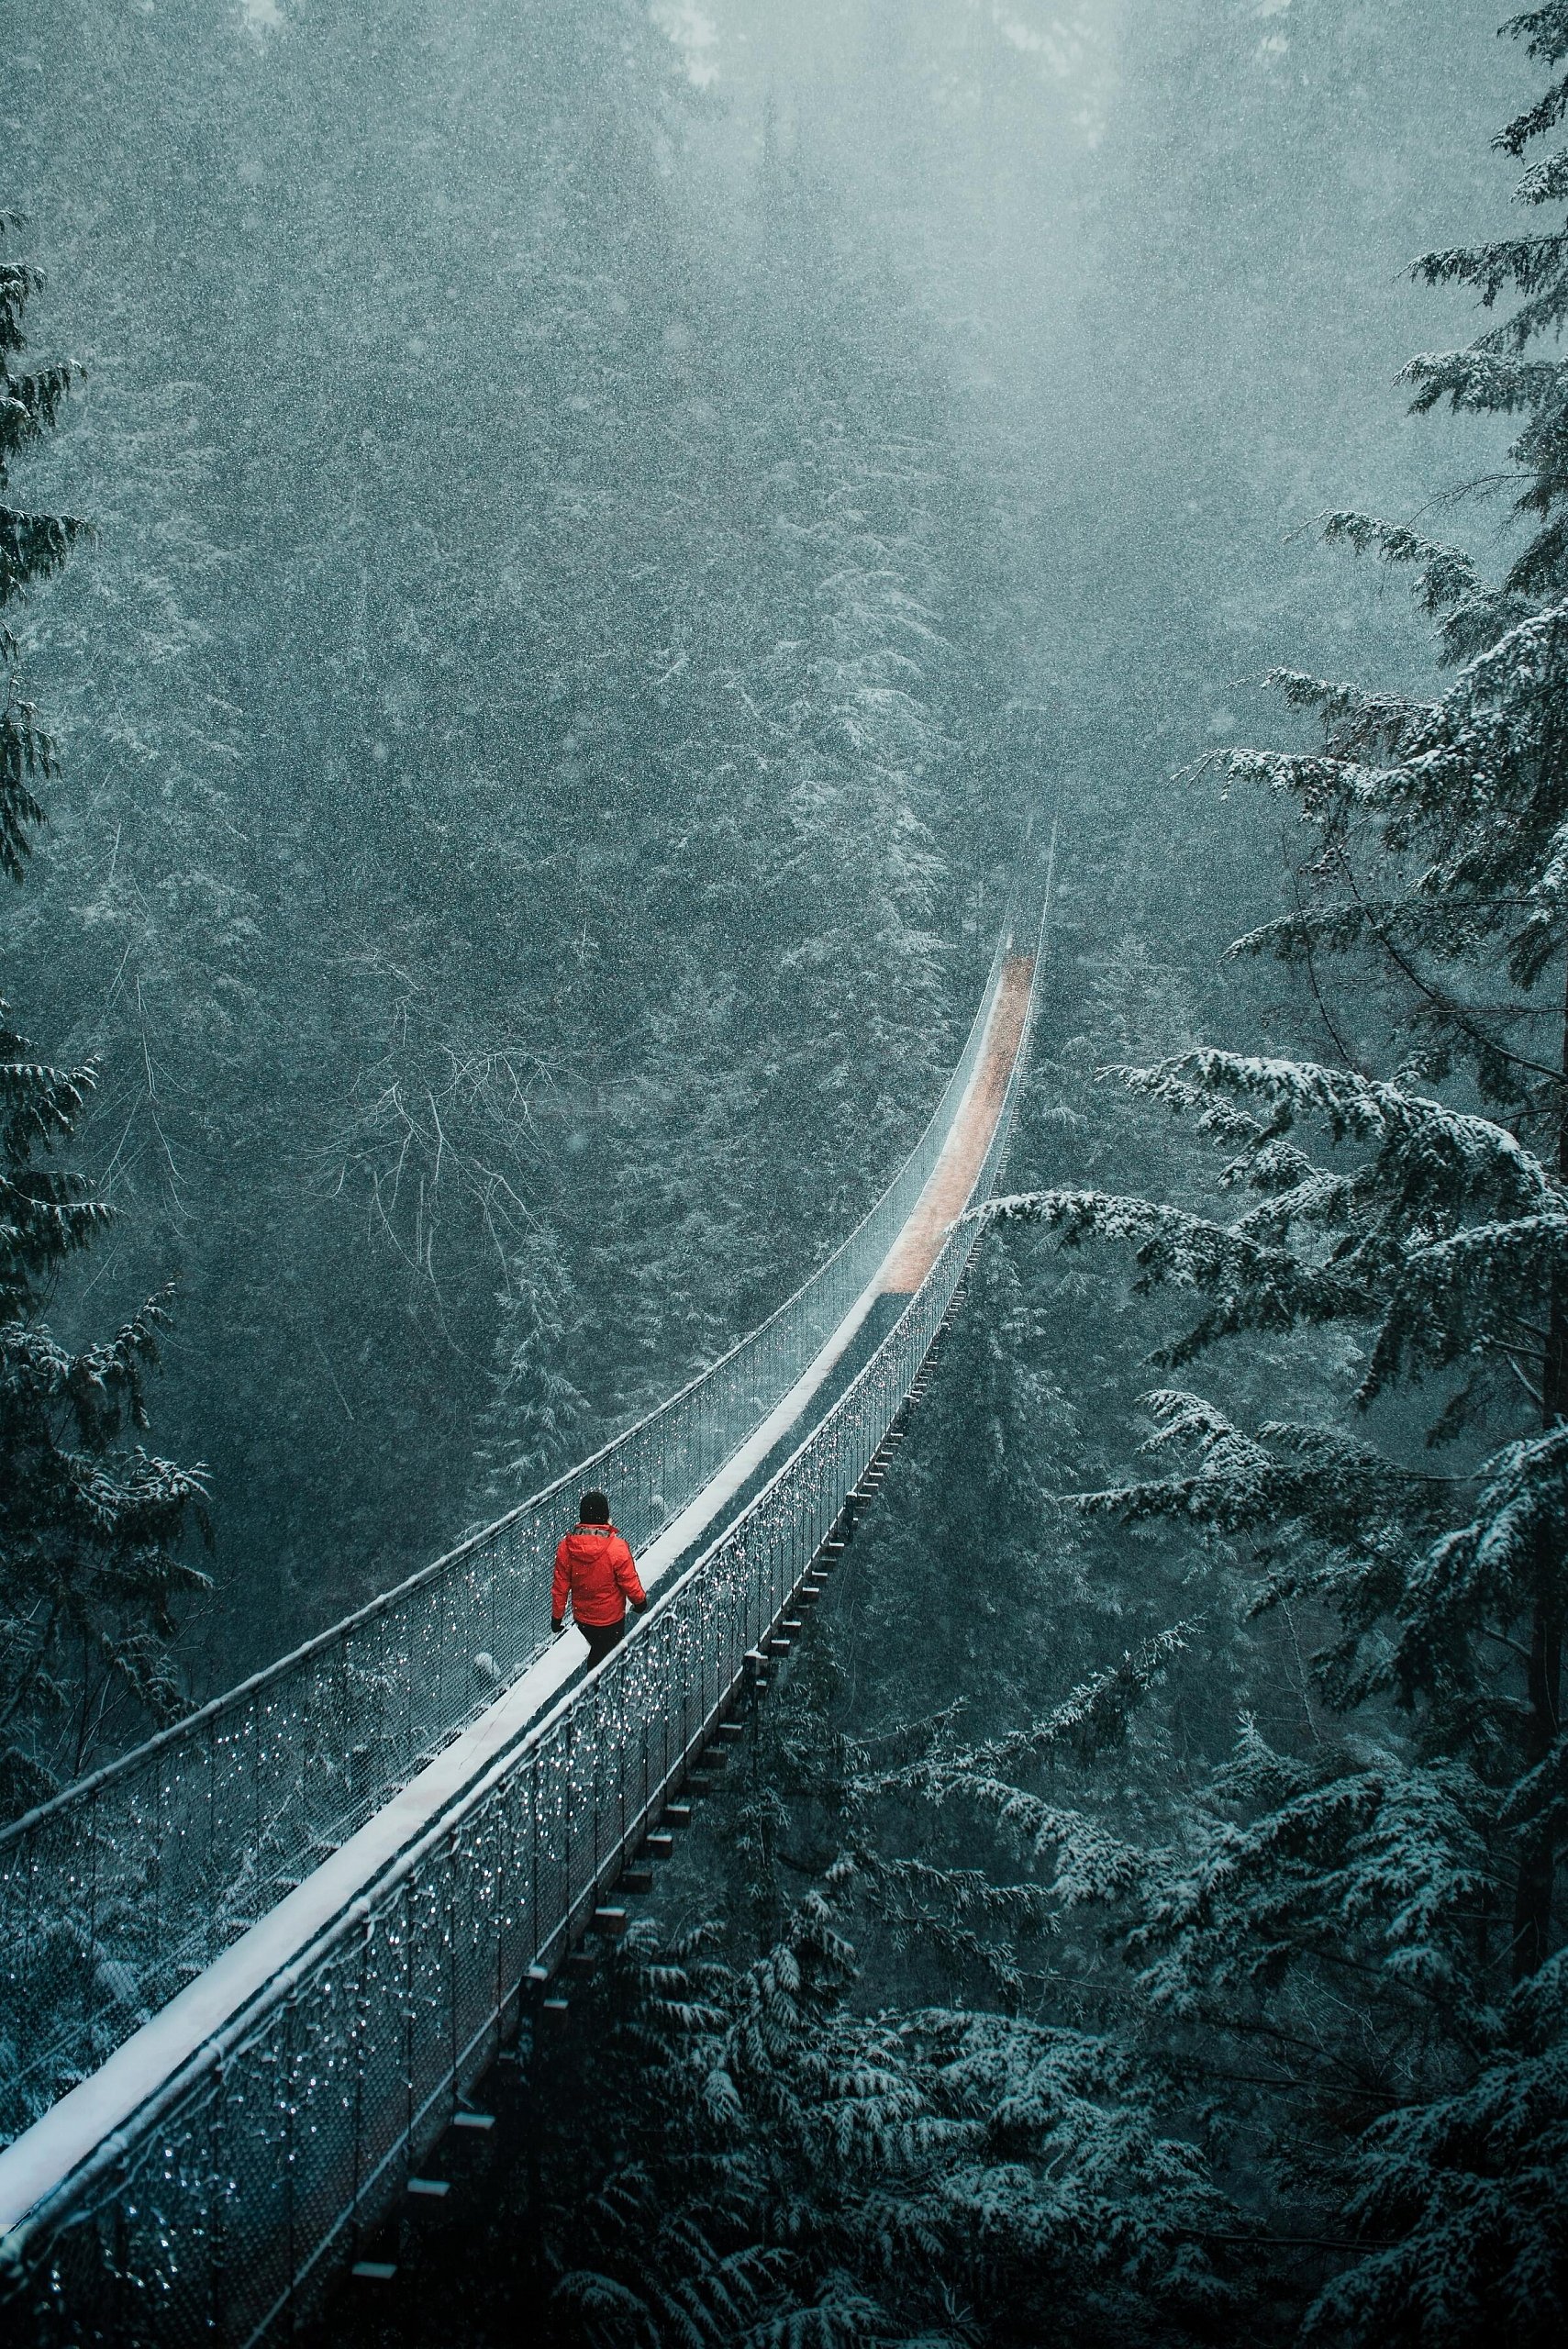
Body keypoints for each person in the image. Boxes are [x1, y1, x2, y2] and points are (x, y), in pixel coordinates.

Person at [551, 1489, 648, 1665]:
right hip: (611, 1619)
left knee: (600, 1648)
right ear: (605, 1516)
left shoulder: (566, 1548)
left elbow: (561, 1587)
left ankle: (599, 1682)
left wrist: (557, 1617)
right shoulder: (616, 1548)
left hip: (583, 1620)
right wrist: (640, 1601)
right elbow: (628, 1580)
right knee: (607, 1656)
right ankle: (596, 1687)